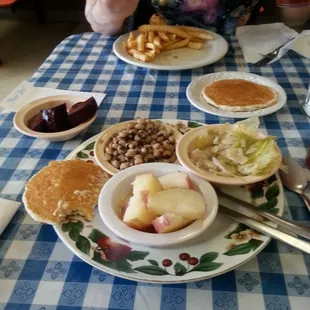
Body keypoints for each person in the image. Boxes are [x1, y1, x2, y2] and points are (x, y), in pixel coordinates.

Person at [85, 0, 263, 36]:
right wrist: (109, 14)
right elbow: (98, 24)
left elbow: (290, 21)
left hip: (240, 59)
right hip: (148, 62)